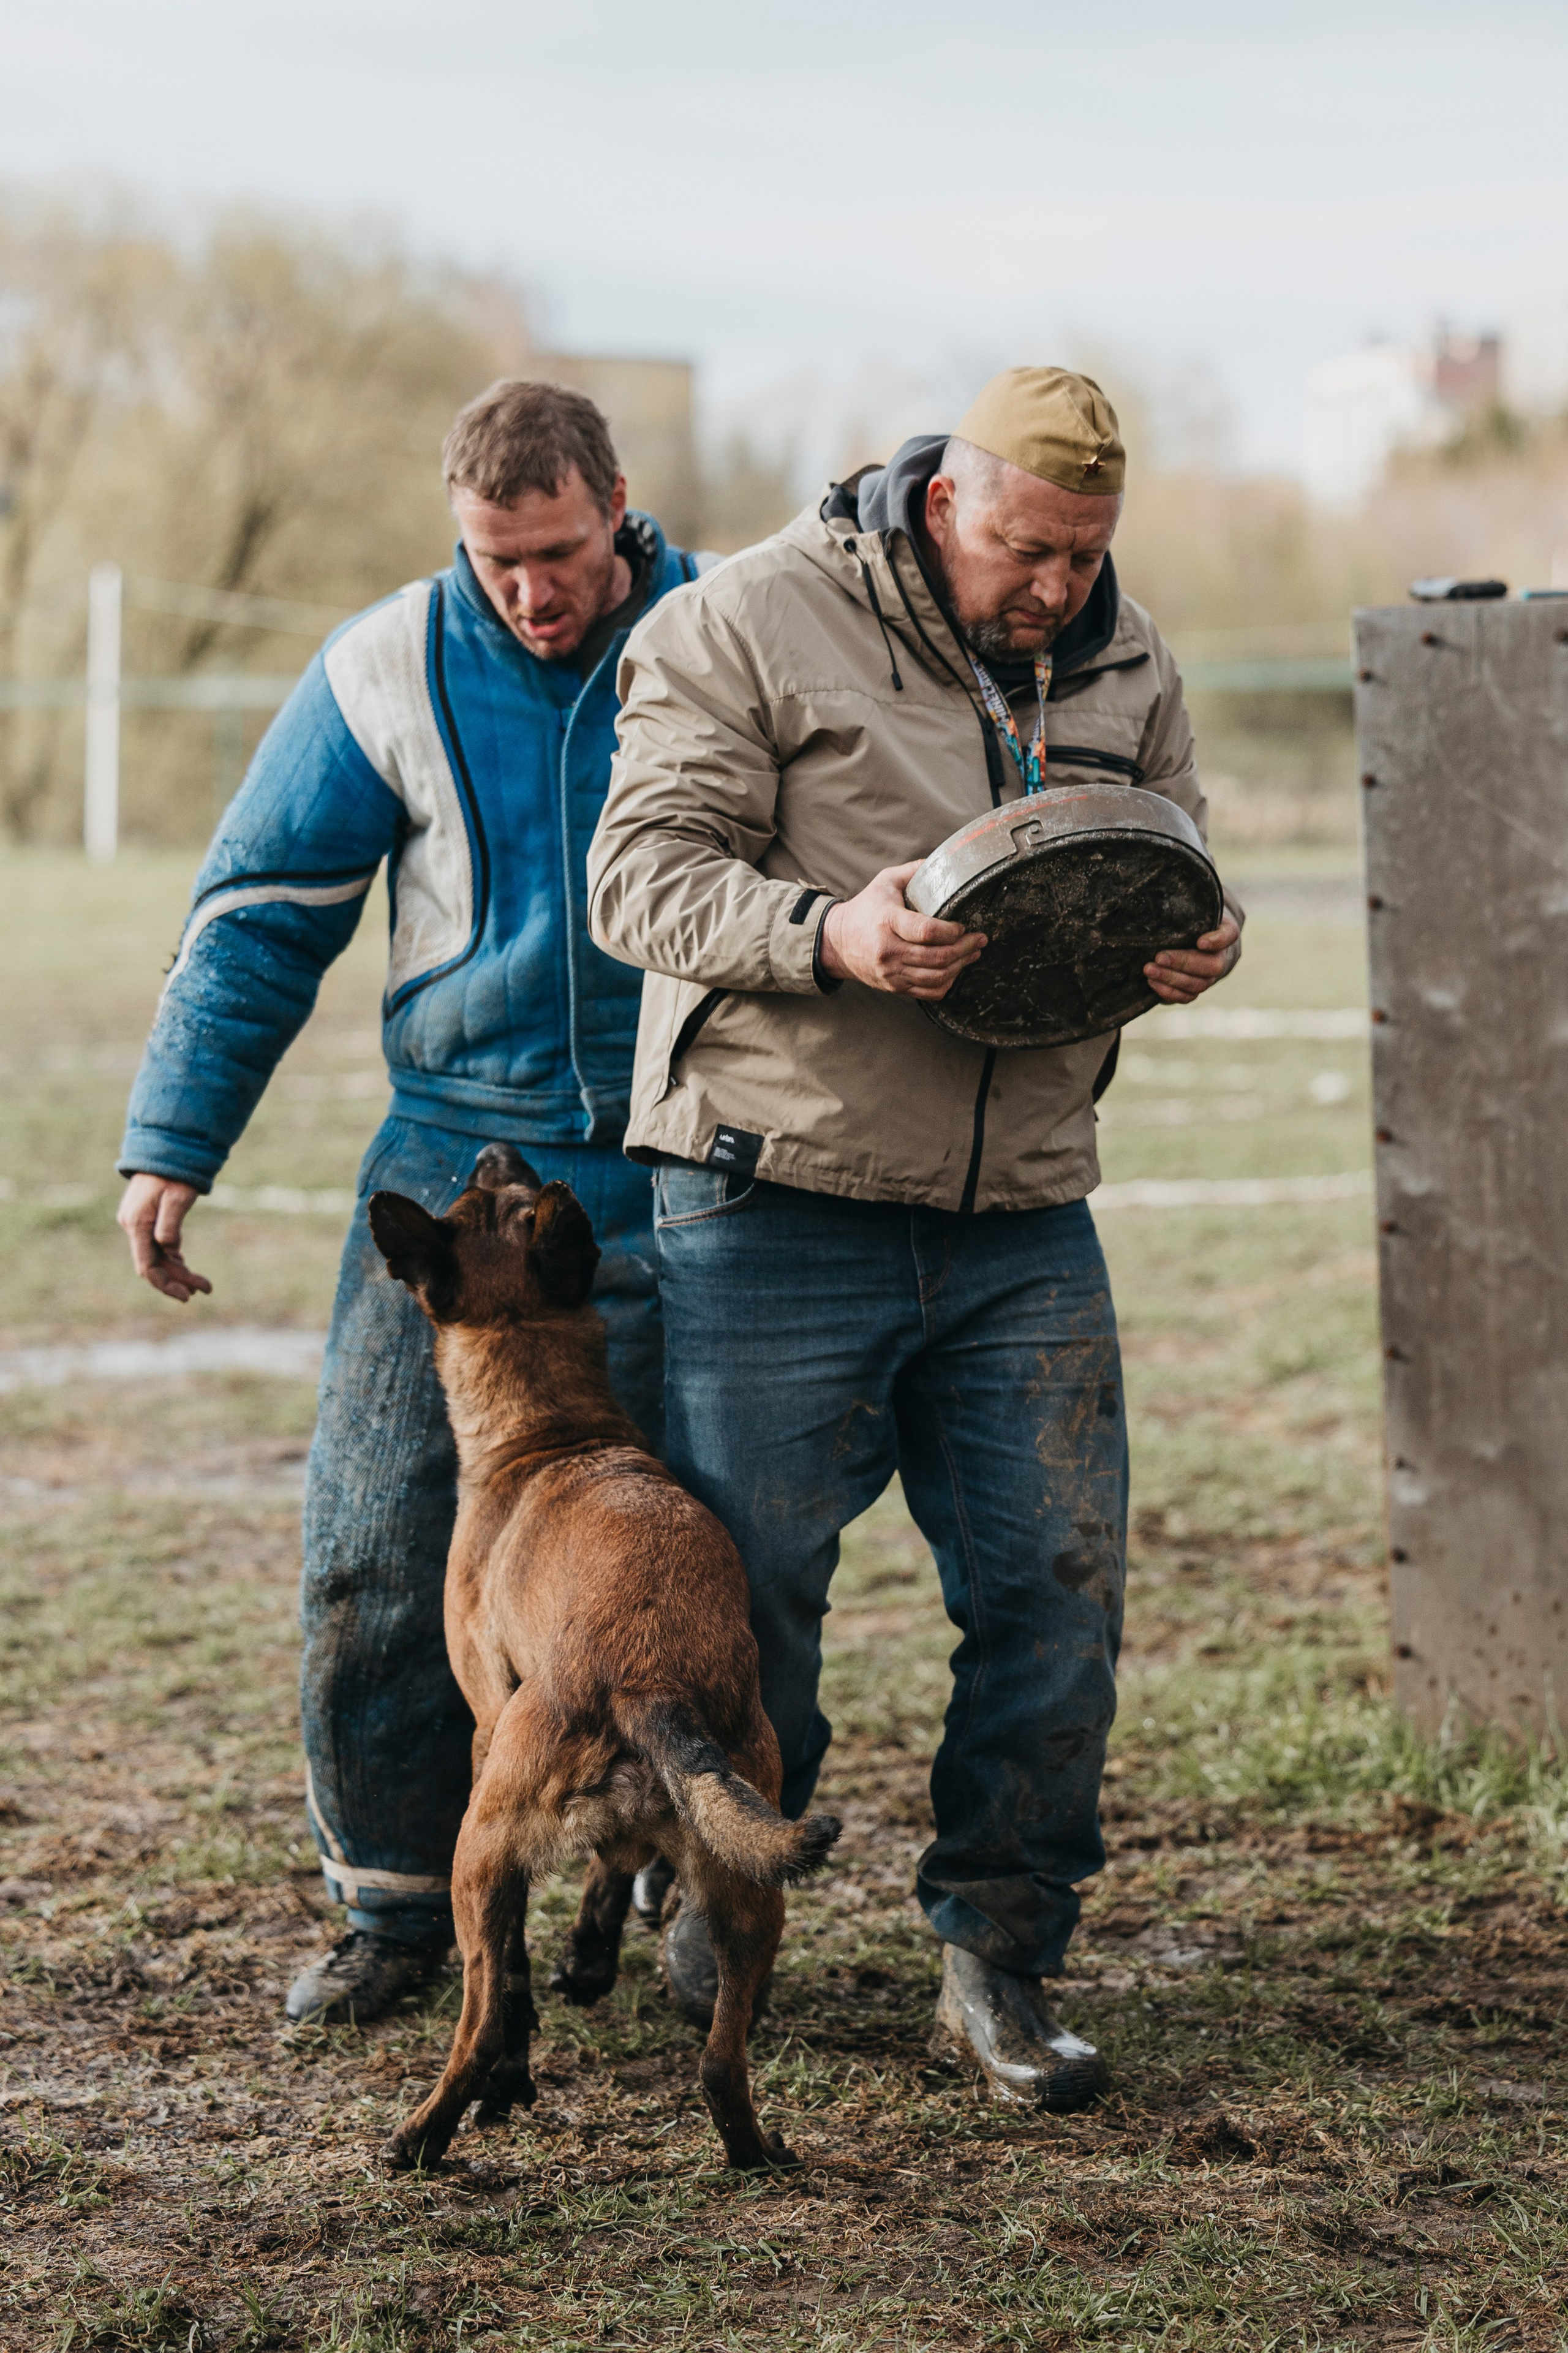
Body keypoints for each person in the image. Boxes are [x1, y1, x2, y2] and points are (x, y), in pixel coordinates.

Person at [587, 366, 1242, 2108]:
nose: (1060, 587)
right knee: (753, 1611)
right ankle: (716, 1891)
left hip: (1025, 1210)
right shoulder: (745, 619)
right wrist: (831, 934)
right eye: (1029, 549)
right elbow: (635, 876)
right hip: (770, 1193)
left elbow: (1172, 849)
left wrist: (1195, 938)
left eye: (1087, 553)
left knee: (1056, 1592)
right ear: (946, 498)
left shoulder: (1124, 653)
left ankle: (1000, 1959)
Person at [116, 380, 708, 2023]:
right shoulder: (380, 664)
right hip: (459, 1164)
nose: (530, 590)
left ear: (618, 506)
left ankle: (690, 1882)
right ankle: (390, 1903)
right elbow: (257, 914)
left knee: (718, 1549)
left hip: (690, 1148)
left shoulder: (731, 627)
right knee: (378, 1547)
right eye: (494, 558)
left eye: (560, 554)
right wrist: (172, 1138)